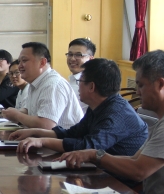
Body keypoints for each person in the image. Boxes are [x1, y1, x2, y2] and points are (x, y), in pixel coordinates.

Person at [58, 50, 164, 194]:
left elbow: (139, 171)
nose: (137, 92)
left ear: (161, 84)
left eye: (141, 85)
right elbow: (135, 159)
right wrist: (91, 154)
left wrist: (96, 155)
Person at [11, 59, 148, 156]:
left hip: (118, 182)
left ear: (92, 87)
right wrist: (35, 133)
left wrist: (42, 142)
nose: (78, 86)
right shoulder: (98, 106)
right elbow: (72, 133)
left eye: (80, 81)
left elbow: (88, 147)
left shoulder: (115, 113)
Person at [1, 42, 82, 129]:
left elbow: (46, 125)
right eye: (19, 61)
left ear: (42, 62)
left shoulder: (53, 85)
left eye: (24, 61)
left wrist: (17, 115)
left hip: (64, 141)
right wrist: (13, 113)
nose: (20, 66)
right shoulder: (35, 82)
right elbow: (31, 110)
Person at [66, 38, 95, 113]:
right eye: (70, 54)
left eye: (78, 55)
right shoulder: (73, 80)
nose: (72, 59)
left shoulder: (89, 83)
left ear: (90, 59)